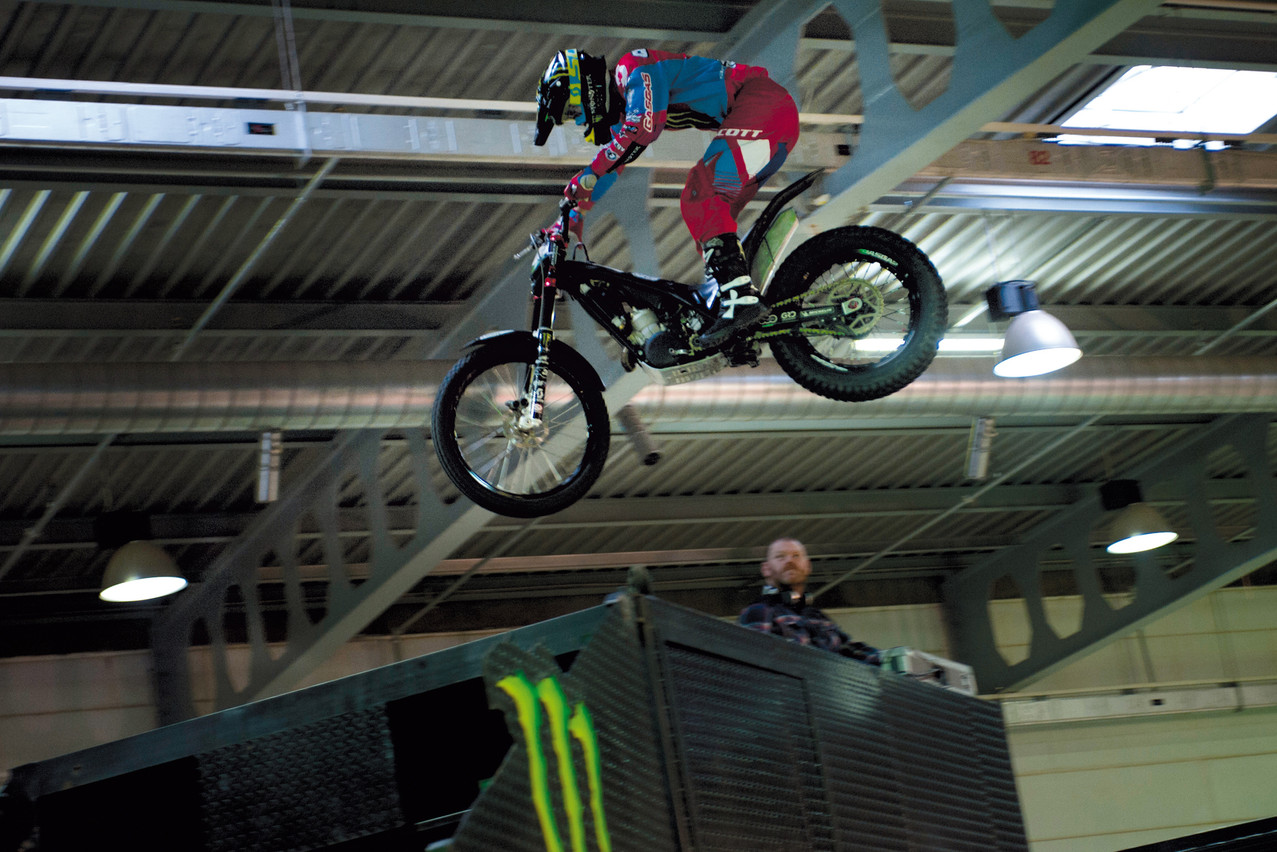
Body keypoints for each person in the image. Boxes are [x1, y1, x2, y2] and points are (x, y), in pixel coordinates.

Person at [533, 48, 801, 348]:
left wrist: (589, 173)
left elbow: (643, 130)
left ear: (583, 87)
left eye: (572, 110)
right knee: (711, 224)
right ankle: (736, 307)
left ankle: (741, 298)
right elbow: (614, 164)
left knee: (700, 193)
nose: (580, 120)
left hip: (764, 105)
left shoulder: (633, 70)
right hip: (772, 119)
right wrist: (571, 218)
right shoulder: (625, 107)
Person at [739, 537, 882, 664]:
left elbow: (849, 651)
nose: (789, 561)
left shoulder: (818, 617)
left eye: (796, 556)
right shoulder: (758, 611)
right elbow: (755, 664)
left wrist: (887, 659)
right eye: (780, 557)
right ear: (766, 569)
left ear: (808, 566)